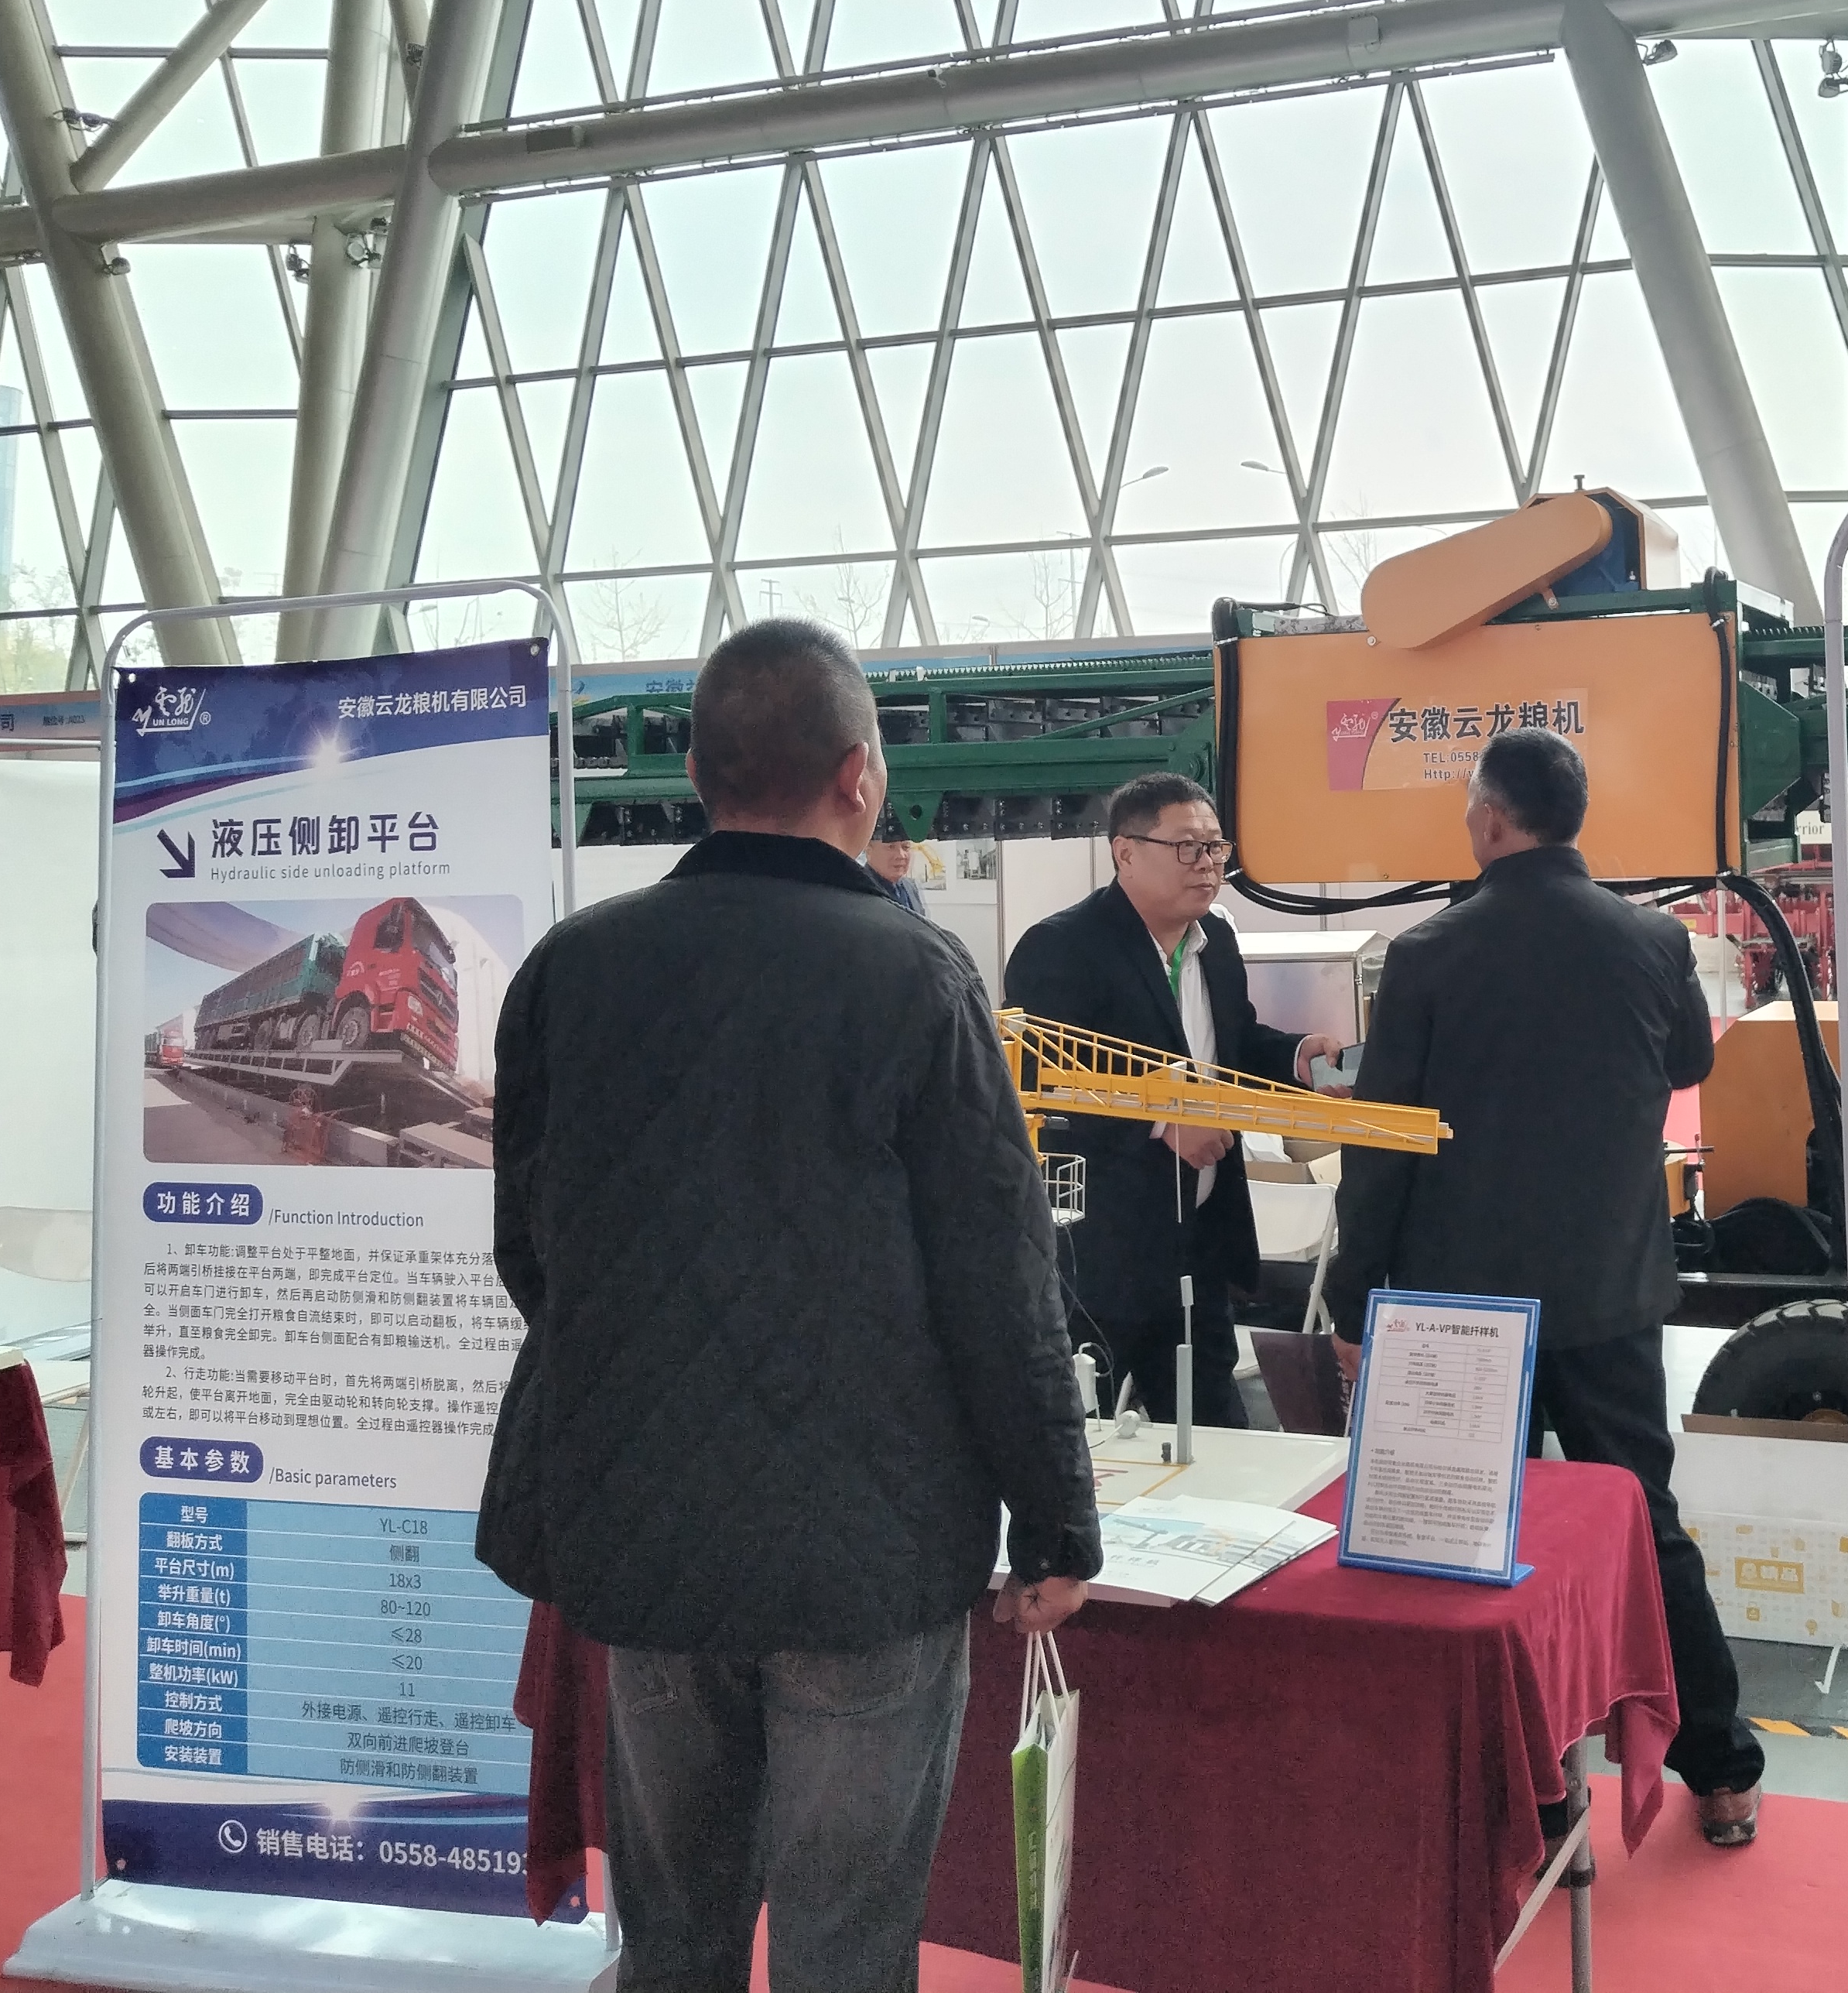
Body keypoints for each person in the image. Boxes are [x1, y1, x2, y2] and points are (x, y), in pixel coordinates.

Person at [476, 619, 1100, 1990]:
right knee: (845, 1943)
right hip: (869, 1545)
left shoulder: (572, 969)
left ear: (698, 774)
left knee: (674, 1933)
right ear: (861, 775)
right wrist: (1056, 1521)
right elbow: (1001, 1285)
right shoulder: (915, 977)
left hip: (642, 1521)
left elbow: (532, 1254)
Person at [1324, 728, 1768, 1846]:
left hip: (1461, 1310)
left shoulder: (1429, 954)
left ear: (1488, 819)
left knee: (1474, 1537)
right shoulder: (1653, 940)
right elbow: (1688, 1063)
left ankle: (1523, 1796)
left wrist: (1353, 1300)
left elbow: (1382, 1144)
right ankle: (1722, 1771)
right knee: (1644, 1525)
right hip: (1609, 1290)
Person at [1004, 772, 1339, 1426]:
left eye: (1216, 847)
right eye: (1187, 846)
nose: (1207, 863)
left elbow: (1229, 1042)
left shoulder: (1216, 941)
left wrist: (1296, 1055)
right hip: (1106, 1248)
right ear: (1125, 852)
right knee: (1092, 1435)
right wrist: (1162, 1123)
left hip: (1201, 1235)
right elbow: (1044, 1081)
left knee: (1215, 1429)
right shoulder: (1062, 947)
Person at [864, 805, 929, 917]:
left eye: (906, 847)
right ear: (869, 850)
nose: (901, 855)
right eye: (891, 847)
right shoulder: (860, 891)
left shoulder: (910, 887)